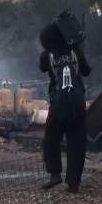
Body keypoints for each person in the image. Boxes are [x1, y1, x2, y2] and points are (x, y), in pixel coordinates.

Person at [39, 20, 90, 193]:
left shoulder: (47, 55)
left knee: (51, 139)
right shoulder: (75, 51)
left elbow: (41, 68)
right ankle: (73, 182)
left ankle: (55, 174)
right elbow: (87, 71)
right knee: (77, 143)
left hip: (58, 107)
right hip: (77, 105)